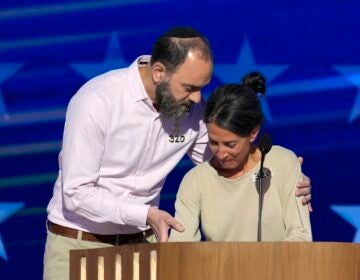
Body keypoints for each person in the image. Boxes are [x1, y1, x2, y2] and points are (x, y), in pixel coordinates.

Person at [43, 27, 312, 279]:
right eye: (190, 88)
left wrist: (285, 177)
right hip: (79, 244)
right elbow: (76, 193)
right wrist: (144, 214)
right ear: (159, 72)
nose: (197, 99)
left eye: (202, 88)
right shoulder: (97, 101)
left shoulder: (192, 112)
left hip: (143, 247)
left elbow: (227, 164)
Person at [170, 72, 312, 242]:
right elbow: (180, 249)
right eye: (213, 142)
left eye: (230, 145)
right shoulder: (196, 180)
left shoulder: (282, 163)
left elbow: (301, 237)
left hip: (277, 268)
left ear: (253, 133)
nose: (221, 154)